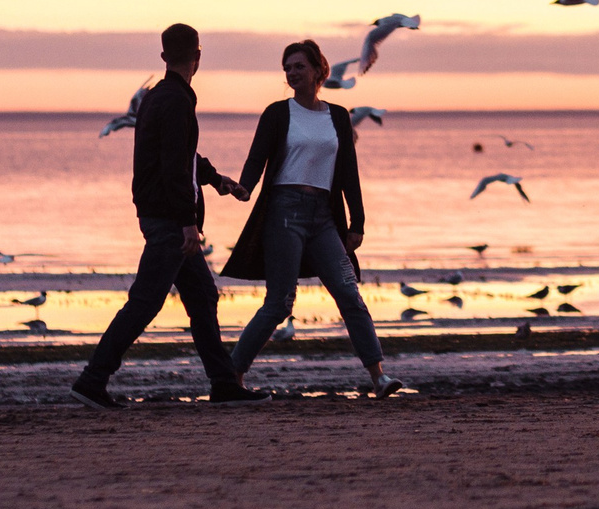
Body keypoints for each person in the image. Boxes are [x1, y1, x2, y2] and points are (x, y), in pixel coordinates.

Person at [72, 23, 256, 409]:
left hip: (163, 214)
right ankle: (92, 380)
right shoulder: (176, 100)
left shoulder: (159, 97)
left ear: (163, 57)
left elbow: (184, 156)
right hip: (170, 220)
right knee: (144, 301)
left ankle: (223, 383)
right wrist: (188, 223)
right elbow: (174, 164)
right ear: (199, 56)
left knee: (203, 296)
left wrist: (217, 179)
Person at [221, 39, 399, 398]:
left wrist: (358, 223)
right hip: (284, 213)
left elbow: (348, 171)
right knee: (280, 303)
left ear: (319, 70)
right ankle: (233, 377)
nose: (291, 73)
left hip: (323, 217)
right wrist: (244, 187)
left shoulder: (338, 116)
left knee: (349, 294)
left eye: (299, 66)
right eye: (287, 67)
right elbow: (258, 158)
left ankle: (379, 377)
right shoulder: (277, 112)